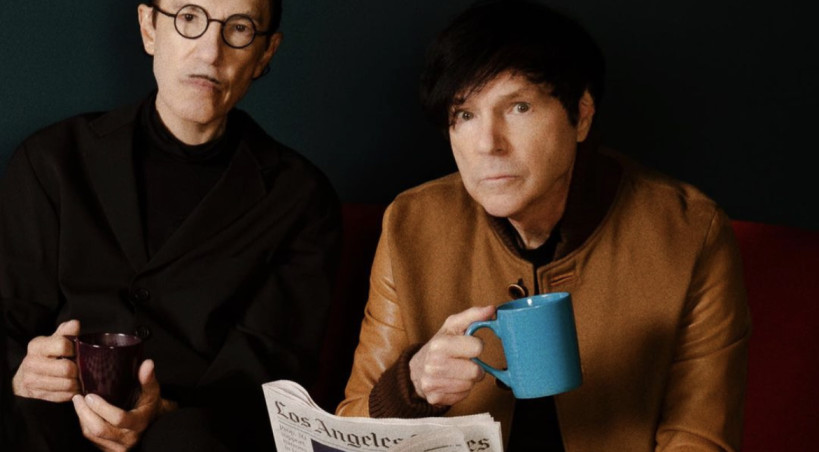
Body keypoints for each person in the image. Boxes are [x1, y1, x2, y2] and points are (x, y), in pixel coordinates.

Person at [336, 1, 750, 450]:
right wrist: (412, 386)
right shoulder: (411, 225)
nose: (488, 144)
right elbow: (350, 428)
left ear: (582, 114)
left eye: (518, 107)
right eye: (465, 115)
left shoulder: (689, 233)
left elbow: (698, 438)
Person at [0, 0, 342, 450]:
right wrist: (22, 374)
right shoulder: (51, 160)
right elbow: (10, 318)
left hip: (196, 432)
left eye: (239, 28)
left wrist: (162, 411)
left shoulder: (301, 198)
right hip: (50, 419)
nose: (210, 53)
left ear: (265, 53)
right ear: (149, 27)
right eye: (189, 18)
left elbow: (268, 373)